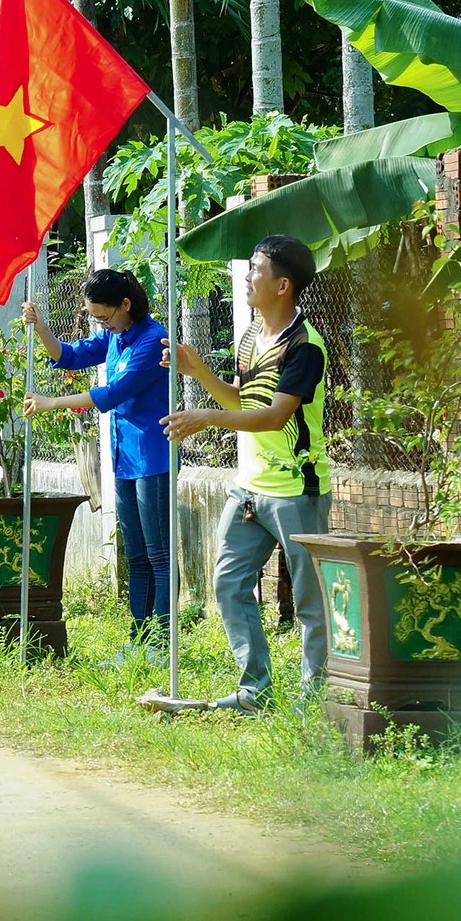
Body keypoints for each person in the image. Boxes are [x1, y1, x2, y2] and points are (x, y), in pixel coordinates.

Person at [162, 235, 331, 713]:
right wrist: (197, 373)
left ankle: (311, 702)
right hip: (248, 488)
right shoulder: (251, 335)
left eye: (255, 269)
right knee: (228, 584)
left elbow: (275, 416)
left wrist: (205, 418)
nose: (246, 276)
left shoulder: (306, 347)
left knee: (310, 604)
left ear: (283, 285)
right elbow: (241, 402)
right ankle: (255, 691)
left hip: (299, 490)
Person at [20, 267, 172, 651]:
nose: (100, 324)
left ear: (126, 304)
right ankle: (139, 641)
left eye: (104, 316)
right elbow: (69, 356)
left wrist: (52, 403)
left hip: (153, 459)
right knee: (135, 556)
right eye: (95, 318)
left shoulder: (152, 341)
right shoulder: (114, 336)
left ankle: (162, 644)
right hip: (124, 459)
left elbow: (112, 393)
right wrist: (40, 327)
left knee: (159, 555)